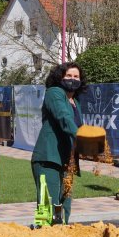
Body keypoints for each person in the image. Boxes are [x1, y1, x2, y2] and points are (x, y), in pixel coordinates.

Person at [32, 62, 85, 224]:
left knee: (65, 206)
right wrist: (81, 136)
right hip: (49, 158)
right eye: (68, 75)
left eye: (76, 77)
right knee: (49, 207)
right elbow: (63, 118)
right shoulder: (54, 93)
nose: (72, 79)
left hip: (67, 161)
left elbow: (76, 127)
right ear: (59, 77)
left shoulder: (76, 103)